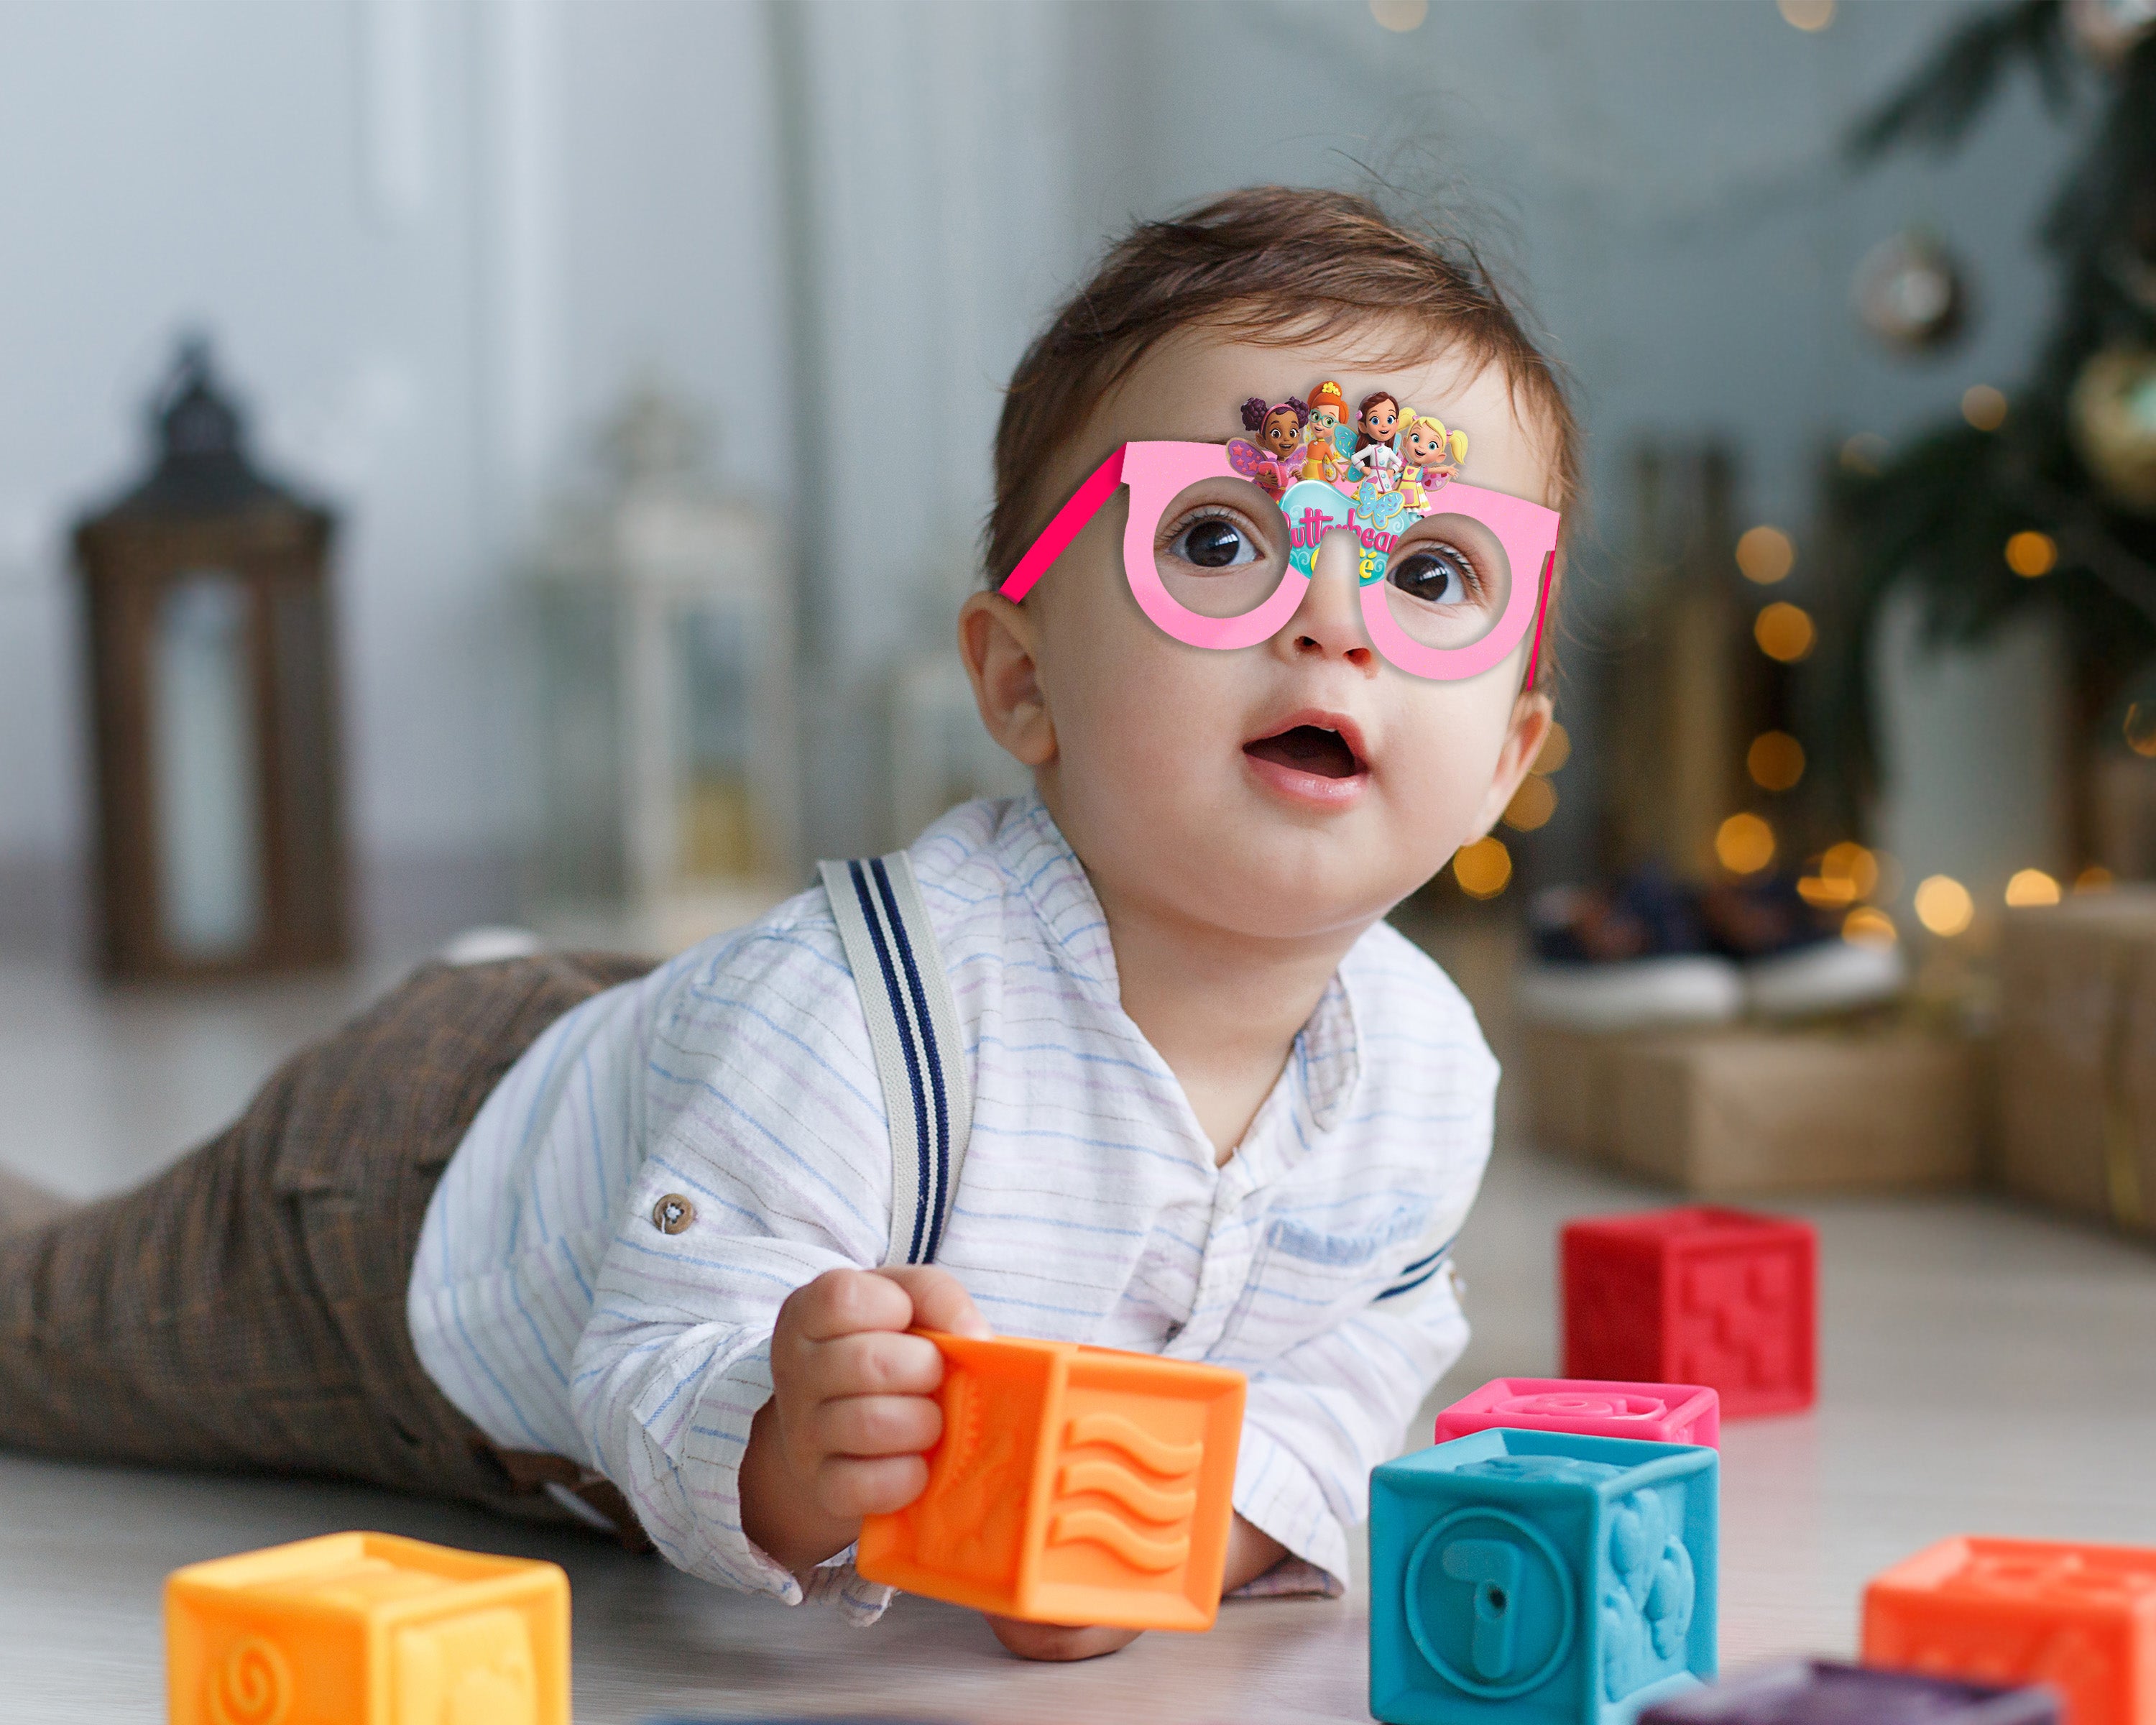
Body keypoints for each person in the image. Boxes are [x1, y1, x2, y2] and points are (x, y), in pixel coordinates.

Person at [0, 184, 1575, 1664]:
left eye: (1437, 572)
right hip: (406, 1209)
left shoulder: (1425, 1075)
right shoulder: (869, 1015)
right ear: (1022, 682)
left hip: (689, 1080)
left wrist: (1192, 1535)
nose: (1332, 619)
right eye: (1219, 543)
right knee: (48, 1323)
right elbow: (653, 1346)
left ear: (1506, 757)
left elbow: (1357, 1352)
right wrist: (777, 1445)